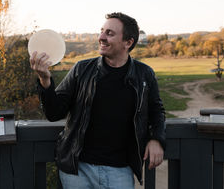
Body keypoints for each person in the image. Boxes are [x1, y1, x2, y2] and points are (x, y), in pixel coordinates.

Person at [30, 12, 166, 188]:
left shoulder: (144, 74)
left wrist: (156, 139)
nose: (101, 37)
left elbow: (157, 111)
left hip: (120, 171)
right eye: (102, 31)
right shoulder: (81, 70)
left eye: (109, 33)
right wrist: (45, 80)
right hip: (77, 170)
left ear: (128, 42)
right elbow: (54, 112)